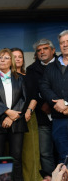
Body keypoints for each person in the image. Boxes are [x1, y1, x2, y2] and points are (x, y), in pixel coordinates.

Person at [0, 48, 28, 181]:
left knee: (17, 156)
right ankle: (2, 180)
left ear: (12, 62)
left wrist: (11, 117)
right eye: (0, 57)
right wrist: (6, 113)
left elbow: (24, 98)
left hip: (16, 122)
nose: (2, 60)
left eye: (6, 58)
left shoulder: (19, 78)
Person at [26, 39, 57, 178]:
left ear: (53, 50)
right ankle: (50, 177)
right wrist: (42, 105)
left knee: (63, 148)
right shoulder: (31, 69)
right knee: (45, 152)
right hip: (42, 117)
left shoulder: (63, 64)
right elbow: (32, 92)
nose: (42, 52)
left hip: (63, 115)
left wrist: (54, 104)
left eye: (45, 48)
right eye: (39, 50)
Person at [11, 47, 42, 181]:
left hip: (29, 116)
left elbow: (35, 96)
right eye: (14, 56)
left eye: (20, 56)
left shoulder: (30, 76)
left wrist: (29, 110)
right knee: (12, 154)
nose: (17, 59)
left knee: (31, 153)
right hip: (11, 118)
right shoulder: (4, 77)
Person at [40, 30, 68, 164]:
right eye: (62, 42)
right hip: (59, 120)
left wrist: (67, 105)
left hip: (63, 111)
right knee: (63, 157)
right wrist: (60, 104)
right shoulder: (51, 67)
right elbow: (44, 88)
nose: (65, 45)